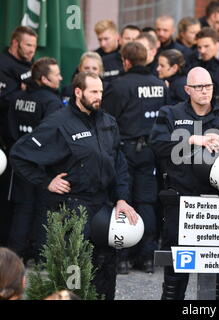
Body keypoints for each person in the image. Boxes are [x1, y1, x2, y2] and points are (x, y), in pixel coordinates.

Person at [9, 71, 138, 300]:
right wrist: (47, 182)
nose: (99, 96)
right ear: (78, 92)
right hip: (70, 208)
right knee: (74, 274)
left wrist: (122, 198)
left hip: (103, 207)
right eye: (93, 92)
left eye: (100, 91)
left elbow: (119, 164)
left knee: (105, 267)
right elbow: (19, 155)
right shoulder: (58, 122)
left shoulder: (108, 122)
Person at [150, 67, 219, 300]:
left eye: (209, 86)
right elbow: (158, 143)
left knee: (216, 270)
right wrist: (194, 139)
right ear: (187, 90)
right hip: (181, 201)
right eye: (199, 87)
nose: (205, 91)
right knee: (176, 268)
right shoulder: (170, 113)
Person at [102, 42, 170, 275]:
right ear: (148, 60)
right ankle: (148, 258)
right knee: (147, 202)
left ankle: (122, 258)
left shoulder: (118, 86)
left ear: (126, 61)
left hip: (124, 150)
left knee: (122, 199)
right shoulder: (160, 85)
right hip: (151, 150)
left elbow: (107, 120)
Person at [7, 57, 64, 261]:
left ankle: (15, 256)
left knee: (22, 208)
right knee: (43, 209)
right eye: (56, 75)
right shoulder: (52, 102)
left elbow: (10, 128)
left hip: (20, 160)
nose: (61, 78)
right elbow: (51, 136)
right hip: (42, 165)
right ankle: (41, 256)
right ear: (44, 79)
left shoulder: (16, 97)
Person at [0, 26, 38, 247]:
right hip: (6, 141)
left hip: (25, 144)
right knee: (7, 197)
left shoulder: (29, 64)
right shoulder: (3, 65)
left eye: (34, 46)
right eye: (28, 45)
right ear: (15, 43)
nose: (32, 50)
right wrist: (22, 92)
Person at [188, 27, 219, 101]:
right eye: (199, 47)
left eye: (206, 46)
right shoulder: (194, 64)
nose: (202, 51)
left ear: (217, 45)